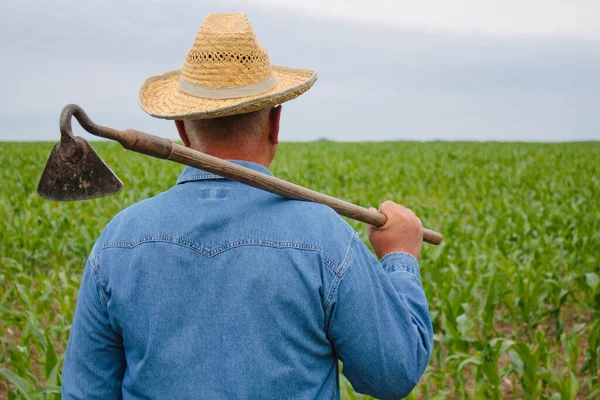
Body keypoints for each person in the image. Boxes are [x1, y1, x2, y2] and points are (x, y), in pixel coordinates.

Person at [62, 13, 433, 400]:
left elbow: (85, 393)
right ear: (275, 123)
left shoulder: (119, 242)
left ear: (182, 130)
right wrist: (400, 256)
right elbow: (393, 374)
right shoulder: (324, 239)